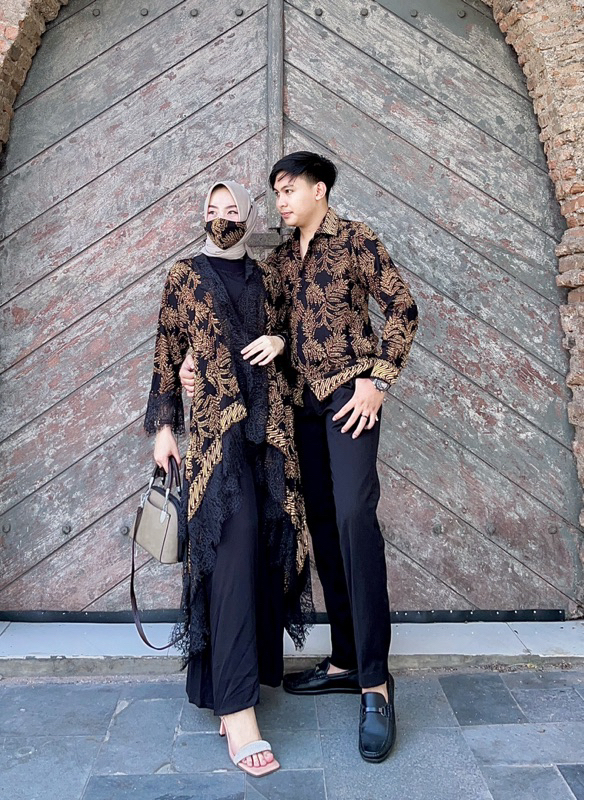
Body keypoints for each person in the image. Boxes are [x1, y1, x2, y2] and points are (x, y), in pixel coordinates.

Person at [180, 153, 418, 762]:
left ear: (320, 189)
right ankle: (343, 659)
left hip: (350, 400)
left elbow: (403, 308)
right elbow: (261, 326)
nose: (281, 202)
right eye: (277, 193)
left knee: (355, 521)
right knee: (323, 528)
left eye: (289, 190)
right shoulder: (283, 262)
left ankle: (375, 684)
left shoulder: (357, 240)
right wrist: (191, 366)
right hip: (298, 408)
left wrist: (378, 380)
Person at [144, 180, 313, 777]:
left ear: (249, 215)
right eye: (212, 210)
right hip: (216, 440)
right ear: (202, 217)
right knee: (231, 556)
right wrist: (165, 427)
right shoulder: (184, 276)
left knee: (260, 556)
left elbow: (298, 343)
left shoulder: (267, 278)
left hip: (269, 439)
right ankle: (239, 713)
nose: (222, 216)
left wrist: (279, 340)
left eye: (233, 207)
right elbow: (168, 353)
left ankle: (225, 685)